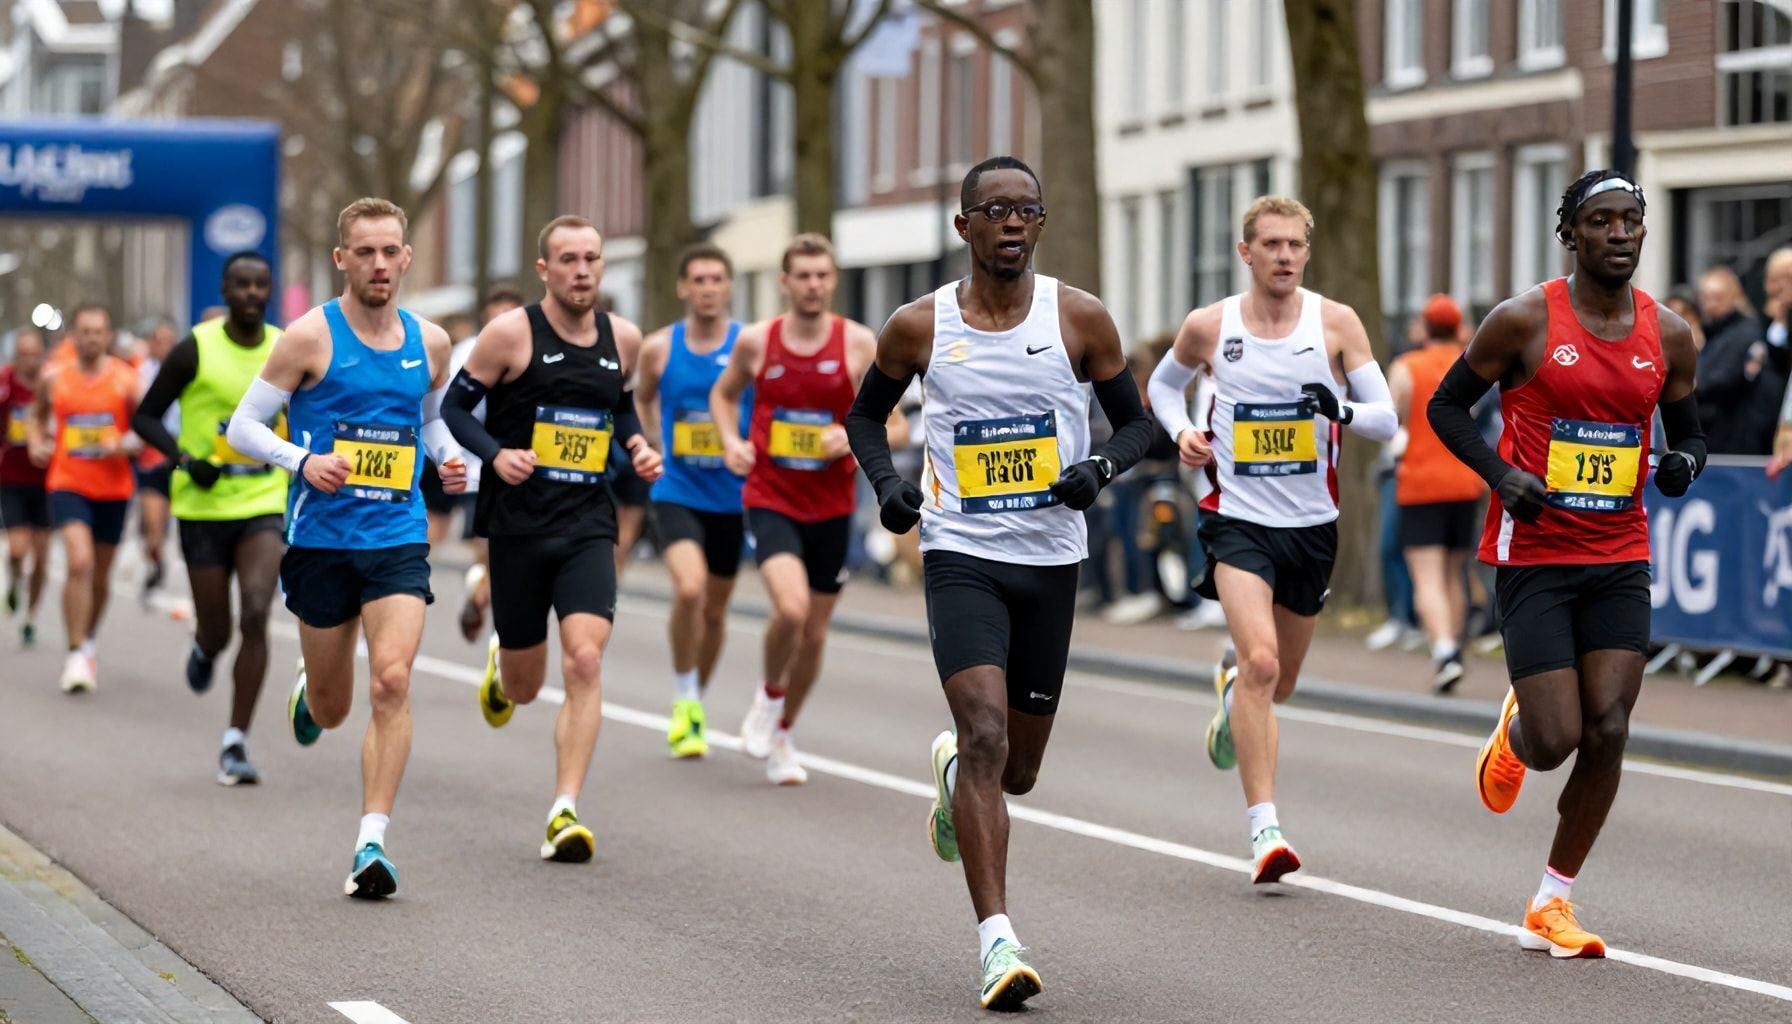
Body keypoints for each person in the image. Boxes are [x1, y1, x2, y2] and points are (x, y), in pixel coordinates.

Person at [847, 156, 1156, 1011]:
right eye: (995, 210)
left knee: (1017, 771)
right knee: (983, 731)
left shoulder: (1079, 317)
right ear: (964, 226)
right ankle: (998, 942)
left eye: (1027, 210)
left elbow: (1137, 426)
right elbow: (865, 417)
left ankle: (957, 775)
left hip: (1051, 559)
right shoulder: (918, 325)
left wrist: (1099, 467)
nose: (1013, 223)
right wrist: (889, 486)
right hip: (961, 553)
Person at [1428, 170, 1703, 958]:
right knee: (1557, 739)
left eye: (1631, 222)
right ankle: (1516, 734)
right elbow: (1446, 406)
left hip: (1620, 553)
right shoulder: (1522, 320)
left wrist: (1684, 463)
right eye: (1602, 221)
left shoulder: (1670, 335)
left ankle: (1552, 901)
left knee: (1609, 727)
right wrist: (1500, 475)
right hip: (1536, 554)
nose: (1620, 234)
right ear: (1570, 234)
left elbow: (1691, 434)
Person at [1146, 195, 1398, 884]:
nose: (1284, 256)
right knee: (1261, 662)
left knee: (1278, 683)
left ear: (1307, 252)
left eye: (1295, 245)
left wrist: (1340, 409)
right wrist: (1183, 432)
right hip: (1237, 519)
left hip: (1311, 526)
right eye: (1271, 244)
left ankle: (1233, 693)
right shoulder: (1210, 326)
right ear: (1246, 252)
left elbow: (1387, 420)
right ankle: (1265, 831)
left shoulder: (1336, 323)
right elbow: (1162, 389)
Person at [227, 197, 466, 898]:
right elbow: (243, 427)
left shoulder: (432, 342)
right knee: (334, 710)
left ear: (406, 257)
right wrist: (301, 462)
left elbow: (430, 421)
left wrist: (449, 458)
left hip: (397, 536)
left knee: (391, 680)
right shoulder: (308, 337)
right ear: (342, 259)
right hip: (322, 541)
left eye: (391, 251)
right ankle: (314, 690)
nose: (380, 264)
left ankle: (371, 842)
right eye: (366, 252)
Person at [442, 215, 661, 862]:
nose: (582, 270)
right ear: (544, 269)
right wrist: (495, 454)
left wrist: (637, 445)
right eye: (569, 259)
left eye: (591, 258)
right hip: (517, 526)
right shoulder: (509, 334)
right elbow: (454, 409)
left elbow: (620, 404)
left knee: (585, 661)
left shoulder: (623, 337)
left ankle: (564, 809)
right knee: (525, 687)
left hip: (588, 523)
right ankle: (501, 660)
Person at [710, 233, 903, 785]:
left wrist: (853, 439)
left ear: (833, 280)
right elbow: (723, 396)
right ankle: (770, 696)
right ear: (785, 282)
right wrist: (730, 441)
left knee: (815, 635)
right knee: (791, 611)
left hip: (832, 505)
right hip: (770, 496)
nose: (814, 285)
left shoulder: (858, 344)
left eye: (822, 275)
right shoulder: (757, 341)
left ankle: (783, 734)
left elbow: (896, 424)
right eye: (803, 276)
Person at [132, 252, 287, 786]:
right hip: (202, 506)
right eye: (242, 284)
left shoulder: (285, 347)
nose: (252, 293)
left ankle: (235, 740)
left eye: (260, 284)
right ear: (225, 289)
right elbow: (145, 416)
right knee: (218, 629)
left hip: (263, 499)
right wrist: (183, 459)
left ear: (270, 290)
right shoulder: (195, 348)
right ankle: (205, 647)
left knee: (257, 612)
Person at [634, 242, 748, 758]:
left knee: (716, 612)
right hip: (676, 487)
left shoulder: (748, 344)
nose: (707, 289)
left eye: (716, 279)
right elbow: (640, 397)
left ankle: (695, 699)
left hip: (732, 494)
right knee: (689, 589)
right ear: (683, 287)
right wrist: (652, 442)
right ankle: (684, 696)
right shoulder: (660, 347)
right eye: (698, 280)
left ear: (729, 287)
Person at [27, 305, 139, 693]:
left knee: (101, 577)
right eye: (85, 331)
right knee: (79, 563)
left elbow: (145, 429)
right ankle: (75, 652)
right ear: (73, 336)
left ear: (108, 336)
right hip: (68, 482)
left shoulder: (126, 380)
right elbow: (37, 418)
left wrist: (124, 443)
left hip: (113, 488)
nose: (91, 338)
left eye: (98, 331)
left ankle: (87, 639)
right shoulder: (54, 378)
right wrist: (37, 442)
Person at [1389, 294, 1488, 693]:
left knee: (1427, 576)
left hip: (1420, 481)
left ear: (1425, 327)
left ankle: (1445, 652)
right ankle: (1456, 649)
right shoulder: (1470, 363)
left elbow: (1391, 418)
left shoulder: (1406, 367)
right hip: (1465, 480)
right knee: (1454, 572)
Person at [456, 283, 525, 643]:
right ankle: (496, 618)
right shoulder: (468, 352)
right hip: (477, 468)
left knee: (507, 554)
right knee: (490, 548)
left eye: (509, 315)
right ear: (485, 317)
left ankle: (479, 589)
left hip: (521, 469)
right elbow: (449, 408)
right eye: (496, 316)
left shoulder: (532, 351)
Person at [0, 329, 51, 647]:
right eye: (23, 354)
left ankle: (31, 617)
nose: (29, 360)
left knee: (42, 559)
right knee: (18, 549)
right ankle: (15, 581)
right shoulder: (5, 383)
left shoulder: (52, 383)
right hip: (12, 479)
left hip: (48, 481)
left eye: (34, 354)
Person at [1693, 266, 1768, 455]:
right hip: (1717, 433)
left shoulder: (1743, 332)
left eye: (1717, 298)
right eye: (1705, 298)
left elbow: (1721, 379)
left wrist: (1689, 383)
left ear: (1733, 296)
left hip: (1735, 436)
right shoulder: (1715, 333)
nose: (1710, 305)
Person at [132, 318, 180, 602]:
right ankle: (155, 560)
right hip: (151, 458)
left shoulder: (186, 370)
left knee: (167, 525)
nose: (165, 346)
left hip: (179, 456)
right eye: (159, 340)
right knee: (154, 526)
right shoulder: (139, 374)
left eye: (170, 341)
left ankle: (158, 559)